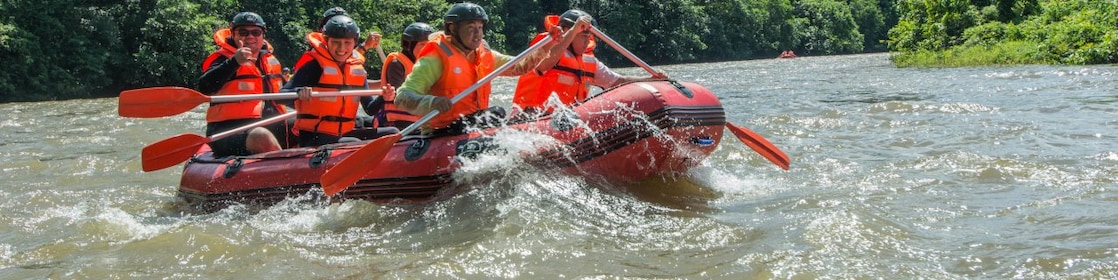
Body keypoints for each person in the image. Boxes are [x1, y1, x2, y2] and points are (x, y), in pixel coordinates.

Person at [392, 2, 584, 135]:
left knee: (502, 115)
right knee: (497, 113)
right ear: (452, 29)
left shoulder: (485, 55)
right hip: (440, 131)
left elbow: (520, 66)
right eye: (470, 28)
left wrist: (547, 46)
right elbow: (402, 98)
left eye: (480, 28)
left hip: (472, 126)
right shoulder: (436, 58)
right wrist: (432, 101)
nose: (477, 34)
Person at [512, 9, 667, 114]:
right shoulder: (546, 46)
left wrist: (651, 80)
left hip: (564, 123)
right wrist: (574, 31)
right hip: (530, 118)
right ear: (567, 31)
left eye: (588, 37)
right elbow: (545, 65)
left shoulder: (588, 61)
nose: (587, 41)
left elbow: (617, 81)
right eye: (583, 36)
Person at [283, 15, 388, 147]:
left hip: (344, 133)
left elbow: (370, 108)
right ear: (327, 41)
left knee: (391, 133)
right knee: (354, 143)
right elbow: (281, 96)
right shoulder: (314, 66)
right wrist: (298, 92)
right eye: (336, 42)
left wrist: (384, 97)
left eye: (347, 43)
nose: (341, 48)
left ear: (354, 42)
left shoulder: (357, 70)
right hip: (314, 135)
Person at [196, 11, 290, 157]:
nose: (250, 37)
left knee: (302, 124)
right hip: (229, 132)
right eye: (243, 32)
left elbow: (286, 93)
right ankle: (287, 174)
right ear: (233, 34)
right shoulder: (222, 59)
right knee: (260, 135)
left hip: (268, 124)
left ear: (263, 36)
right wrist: (235, 62)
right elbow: (204, 87)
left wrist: (302, 91)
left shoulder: (269, 61)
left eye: (256, 32)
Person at [379, 22, 435, 130]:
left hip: (419, 120)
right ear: (408, 45)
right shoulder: (396, 63)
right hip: (398, 122)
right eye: (422, 44)